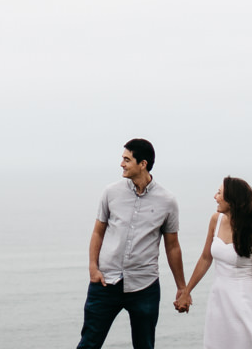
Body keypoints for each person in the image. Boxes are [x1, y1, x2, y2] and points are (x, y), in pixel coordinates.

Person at [77, 138, 186, 349]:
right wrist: (93, 268)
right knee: (88, 344)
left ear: (142, 164)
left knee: (144, 346)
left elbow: (172, 246)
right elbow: (98, 232)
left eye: (127, 159)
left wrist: (182, 287)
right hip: (105, 282)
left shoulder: (168, 201)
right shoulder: (110, 192)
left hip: (144, 286)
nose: (122, 164)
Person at [173, 176, 252, 345]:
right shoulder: (216, 219)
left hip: (245, 299)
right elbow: (206, 258)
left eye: (219, 193)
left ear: (232, 200)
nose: (215, 197)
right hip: (219, 299)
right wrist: (186, 291)